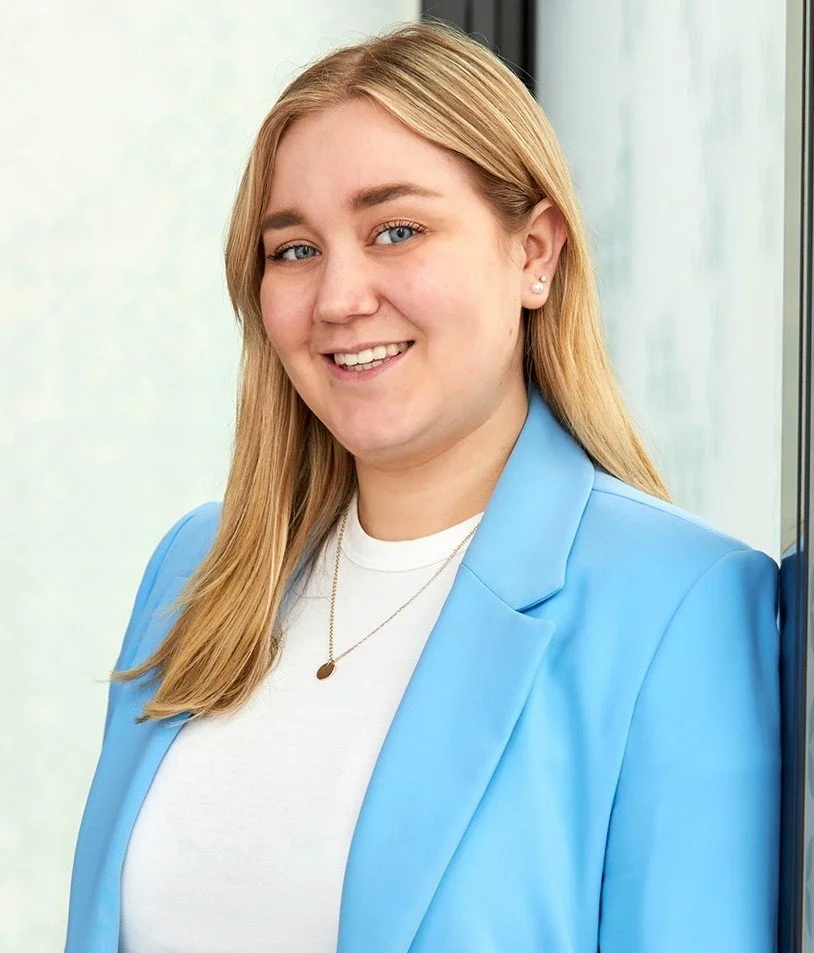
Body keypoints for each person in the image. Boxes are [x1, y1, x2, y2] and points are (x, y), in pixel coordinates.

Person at [63, 19, 780, 953]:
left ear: (535, 253)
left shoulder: (681, 603)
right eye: (294, 249)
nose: (339, 297)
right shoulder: (194, 569)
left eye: (396, 230)